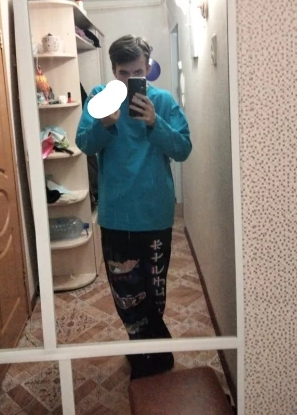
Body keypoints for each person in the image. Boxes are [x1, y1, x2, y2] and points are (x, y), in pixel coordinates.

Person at [76, 34, 192, 379]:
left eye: (137, 72)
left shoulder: (163, 101)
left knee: (154, 292)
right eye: (123, 73)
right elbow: (84, 144)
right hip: (116, 215)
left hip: (155, 214)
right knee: (126, 295)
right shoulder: (99, 98)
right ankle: (149, 353)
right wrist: (104, 124)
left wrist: (156, 122)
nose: (130, 80)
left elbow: (182, 149)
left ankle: (148, 351)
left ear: (148, 68)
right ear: (113, 70)